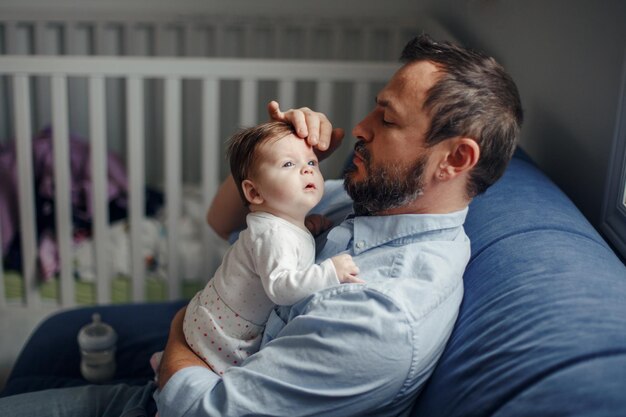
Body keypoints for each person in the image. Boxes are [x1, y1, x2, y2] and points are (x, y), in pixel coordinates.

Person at [0, 34, 523, 417]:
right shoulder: (376, 205)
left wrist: (180, 328)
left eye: (386, 119)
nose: (360, 127)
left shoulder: (383, 319)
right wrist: (279, 158)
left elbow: (199, 412)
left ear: (455, 159)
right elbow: (223, 219)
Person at [152, 121, 361, 380]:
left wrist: (307, 226)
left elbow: (289, 237)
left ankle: (164, 367)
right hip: (223, 332)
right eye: (288, 164)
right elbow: (281, 287)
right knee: (209, 372)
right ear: (254, 191)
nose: (307, 171)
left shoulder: (284, 221)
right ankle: (166, 387)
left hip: (220, 318)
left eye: (311, 163)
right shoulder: (273, 234)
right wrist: (330, 272)